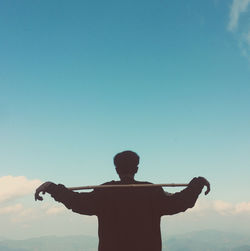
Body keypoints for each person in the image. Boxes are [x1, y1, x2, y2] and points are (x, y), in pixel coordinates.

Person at [35, 150, 210, 251]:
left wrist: (51, 187)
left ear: (117, 169)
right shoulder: (151, 191)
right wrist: (198, 184)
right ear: (136, 168)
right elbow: (179, 202)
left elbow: (77, 201)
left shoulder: (105, 192)